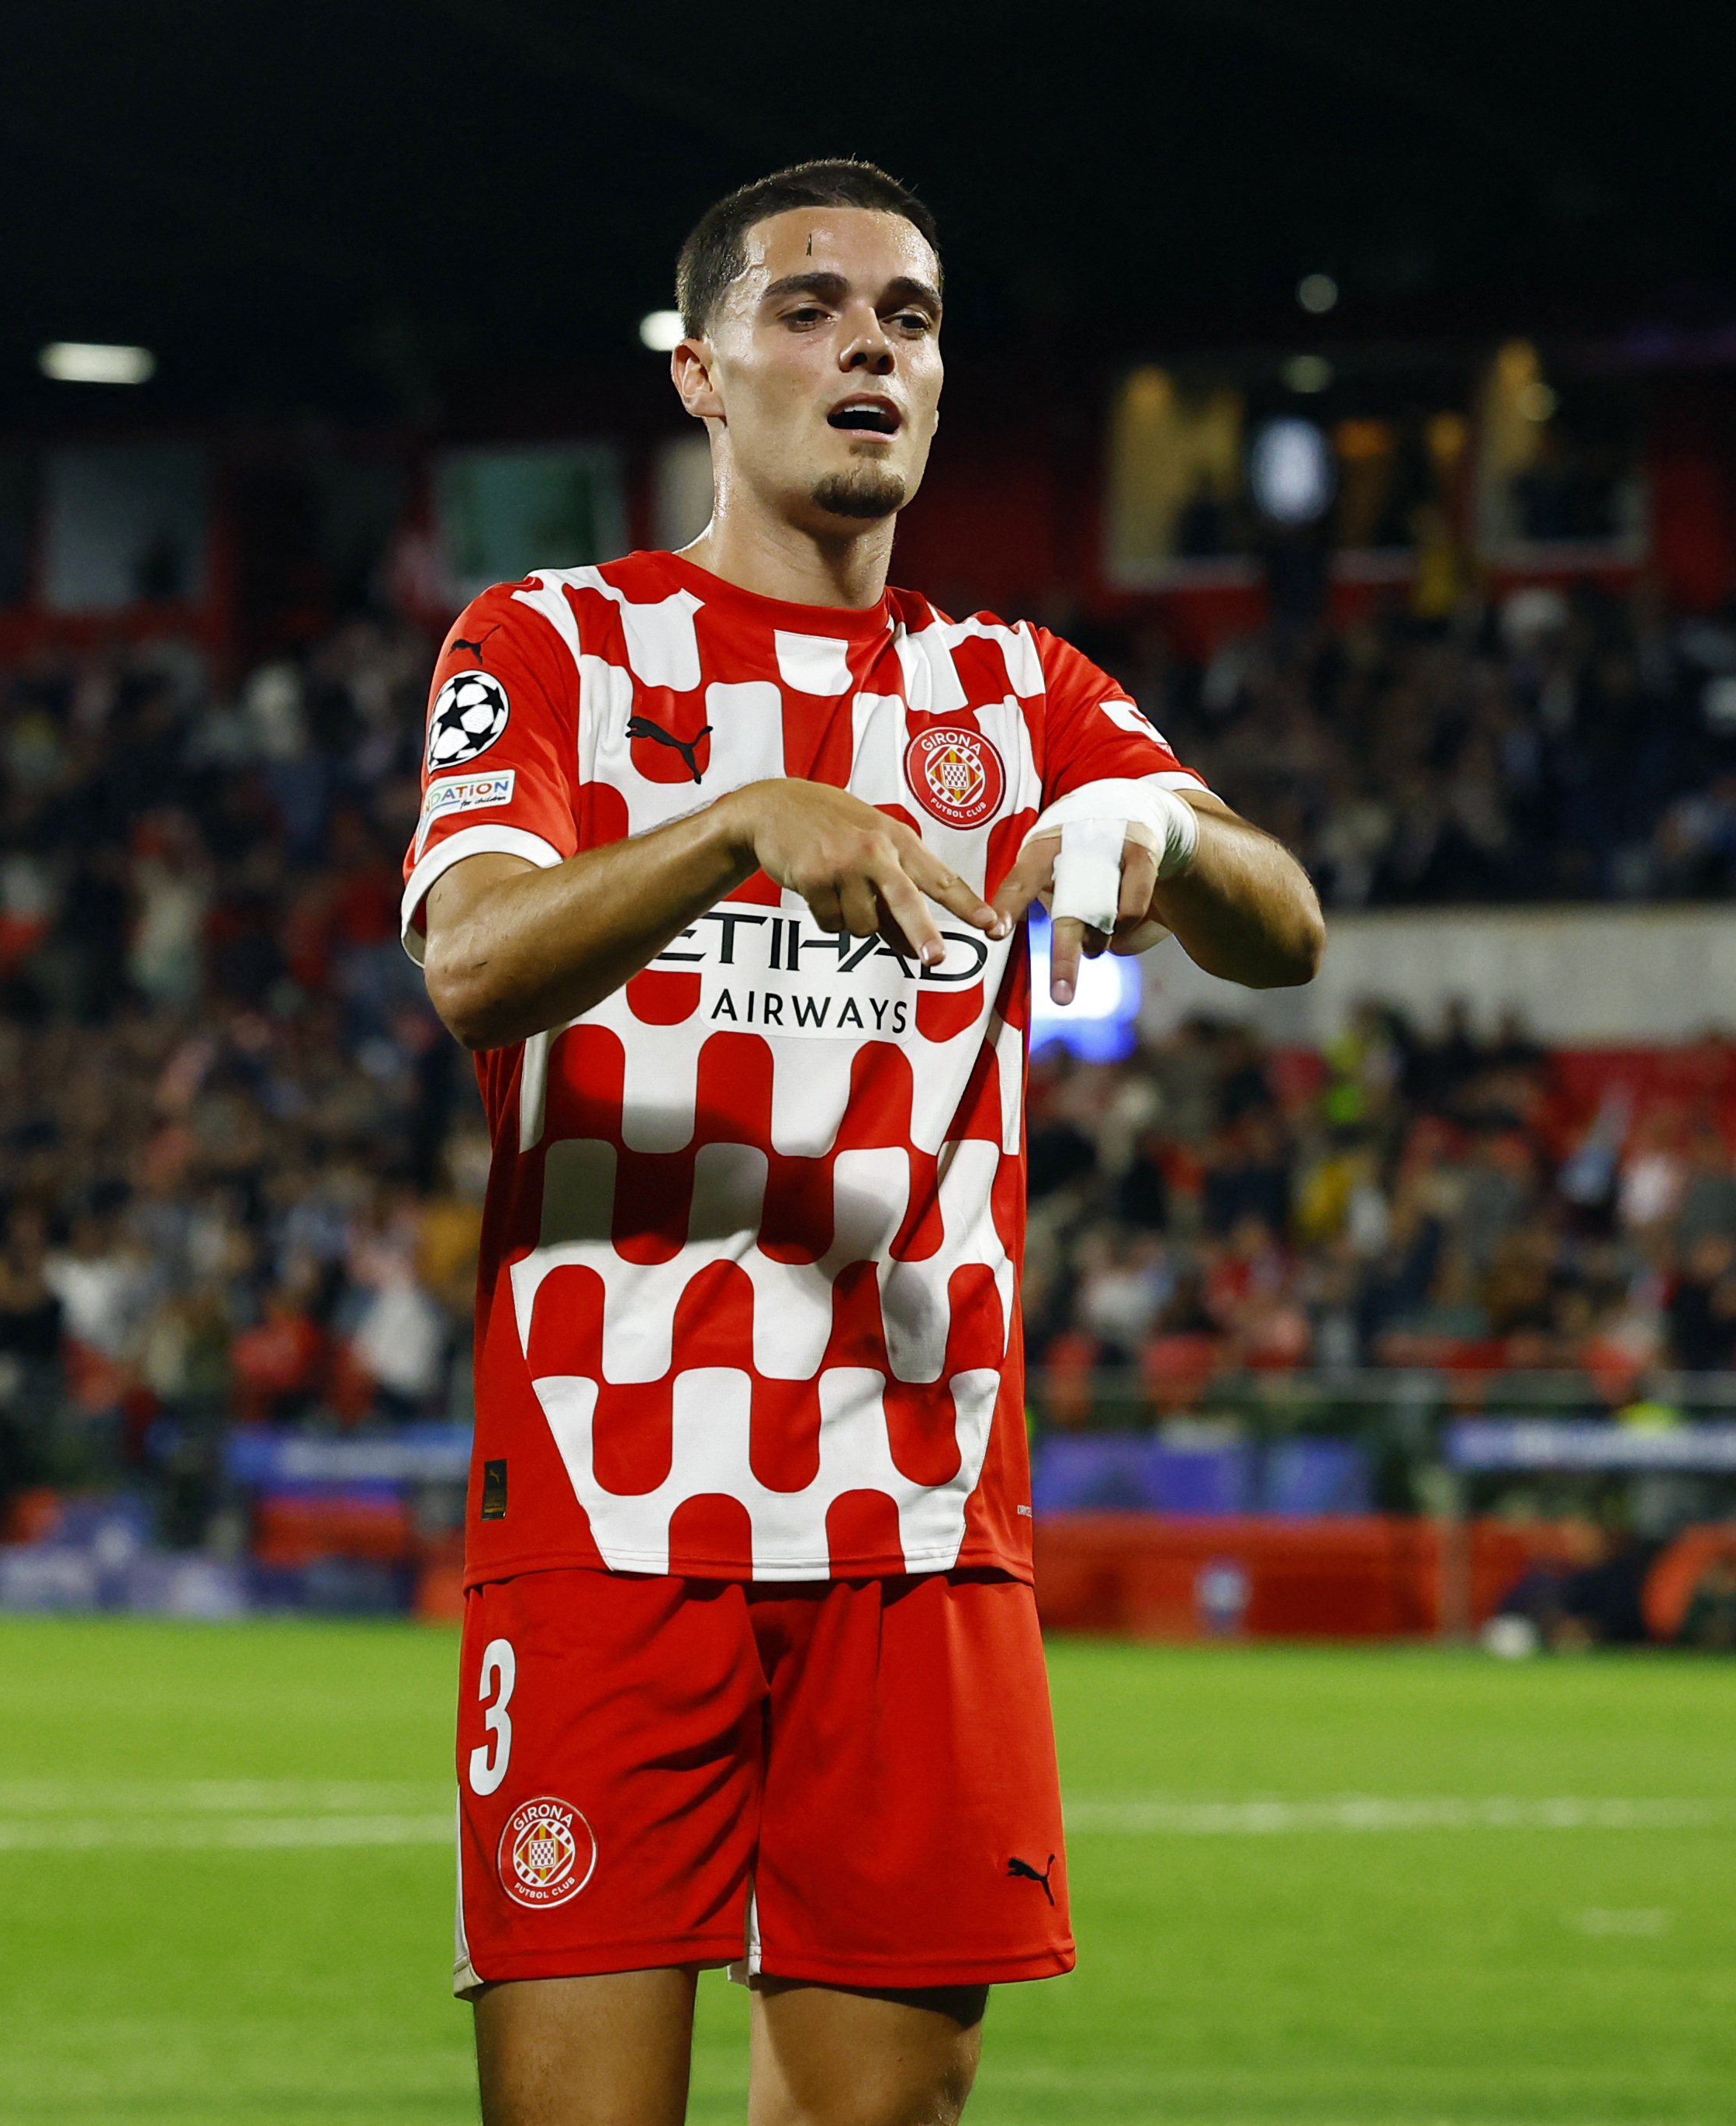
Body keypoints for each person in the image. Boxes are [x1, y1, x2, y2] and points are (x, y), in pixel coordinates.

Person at [401, 161, 1323, 2126]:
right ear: (698, 371)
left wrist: (1161, 846)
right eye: (809, 308)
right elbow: (472, 962)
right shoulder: (552, 644)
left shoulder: (1014, 688)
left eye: (904, 318)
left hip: (914, 1514)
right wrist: (745, 823)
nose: (866, 349)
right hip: (607, 1509)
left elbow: (1287, 922)